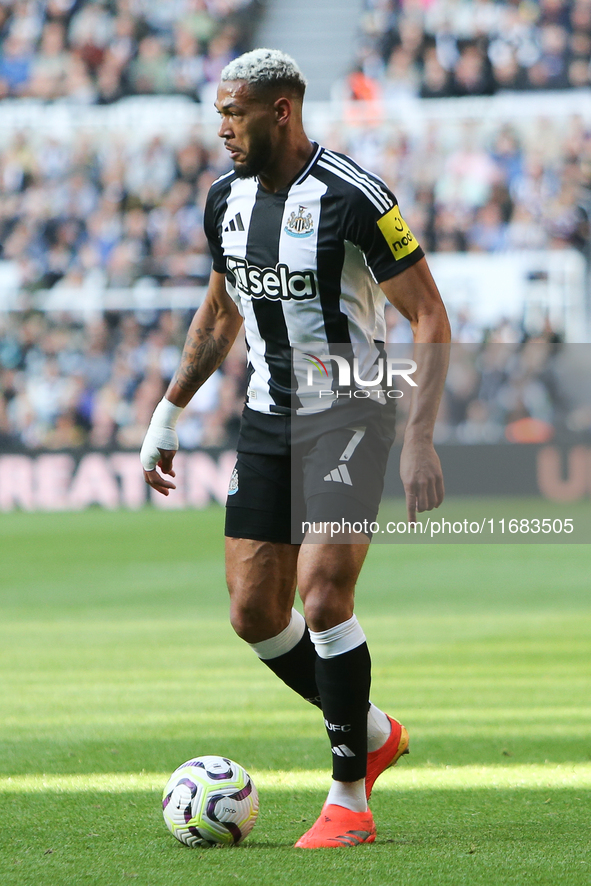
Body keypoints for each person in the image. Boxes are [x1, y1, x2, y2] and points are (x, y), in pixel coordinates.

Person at [141, 48, 450, 849]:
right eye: (217, 114)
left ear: (280, 110)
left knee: (321, 594)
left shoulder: (353, 197)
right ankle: (372, 728)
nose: (222, 129)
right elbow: (219, 313)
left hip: (352, 408)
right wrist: (169, 411)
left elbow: (430, 318)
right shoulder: (224, 201)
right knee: (253, 612)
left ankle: (349, 794)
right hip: (268, 415)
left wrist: (418, 437)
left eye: (233, 113)